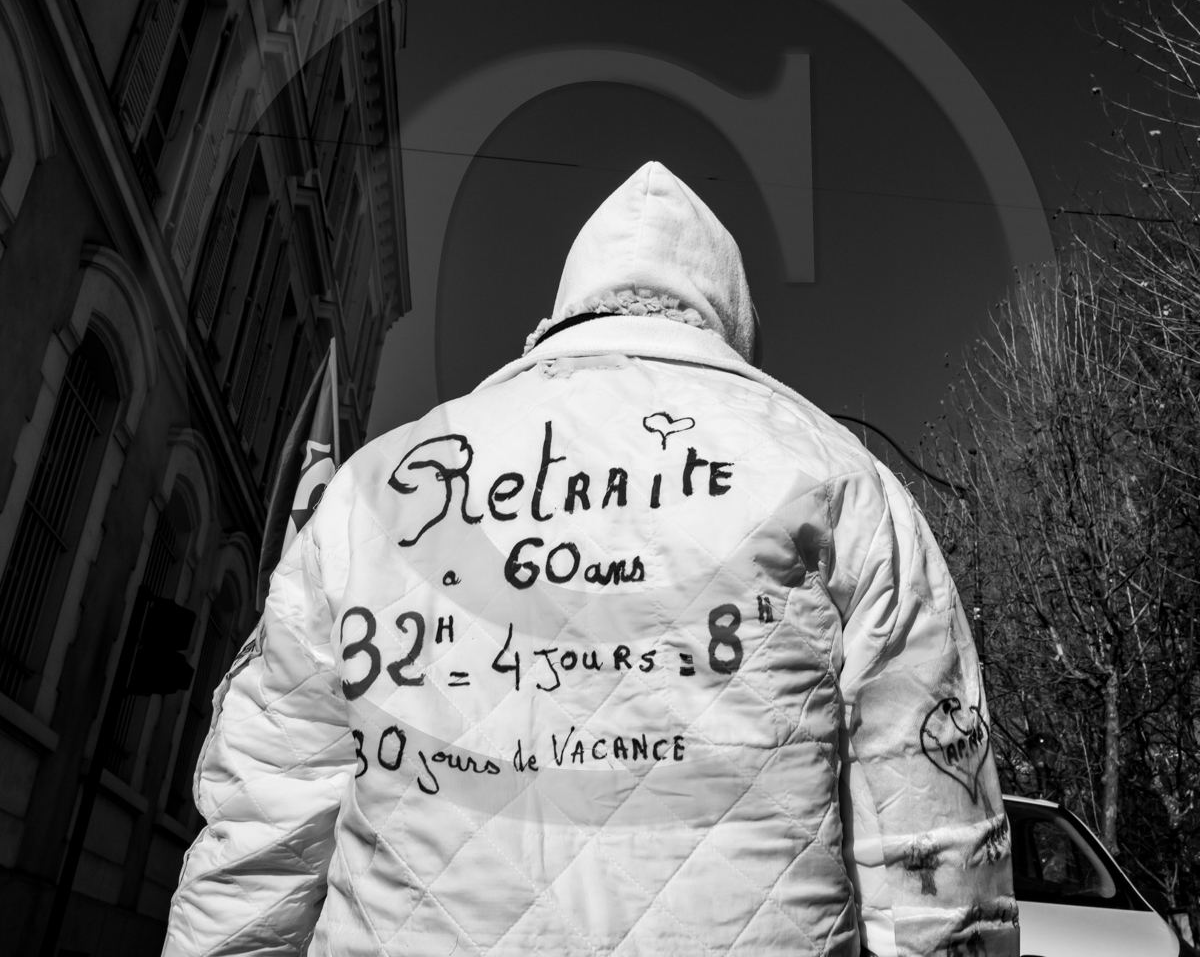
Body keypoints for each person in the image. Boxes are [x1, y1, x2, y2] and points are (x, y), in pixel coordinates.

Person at [165, 162, 1016, 956]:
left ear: (570, 300)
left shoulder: (373, 492)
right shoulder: (839, 479)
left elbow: (259, 830)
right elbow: (936, 845)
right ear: (732, 315)